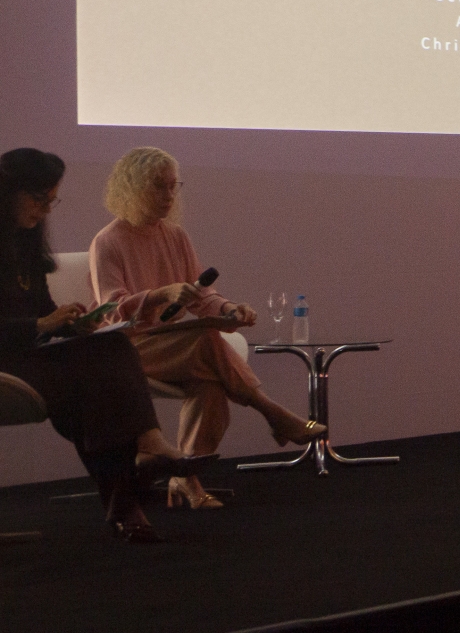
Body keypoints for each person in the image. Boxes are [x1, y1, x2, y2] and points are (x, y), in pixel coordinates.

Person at [90, 147, 322, 509]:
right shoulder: (108, 241)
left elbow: (200, 295)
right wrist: (159, 295)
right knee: (205, 340)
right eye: (159, 186)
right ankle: (271, 411)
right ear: (132, 187)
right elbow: (111, 311)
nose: (169, 195)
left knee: (210, 383)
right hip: (126, 348)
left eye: (173, 186)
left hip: (169, 345)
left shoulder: (175, 236)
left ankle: (186, 479)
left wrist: (229, 309)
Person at [1, 147, 213, 543]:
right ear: (8, 192)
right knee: (94, 388)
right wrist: (42, 324)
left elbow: (43, 311)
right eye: (39, 199)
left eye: (52, 200)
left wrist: (74, 324)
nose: (46, 210)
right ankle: (127, 497)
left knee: (111, 346)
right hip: (7, 363)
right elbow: (36, 322)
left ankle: (141, 466)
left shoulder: (25, 244)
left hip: (31, 355)